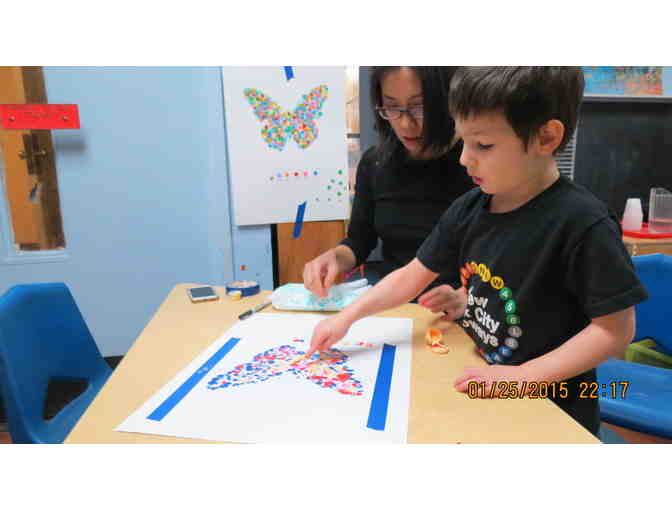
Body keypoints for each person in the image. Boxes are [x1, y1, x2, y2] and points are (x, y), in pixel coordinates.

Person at [306, 67, 648, 435]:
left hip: (551, 407)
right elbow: (411, 276)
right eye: (463, 141)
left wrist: (523, 378)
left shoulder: (583, 223)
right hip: (487, 387)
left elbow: (615, 331)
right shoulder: (471, 207)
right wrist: (348, 317)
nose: (464, 159)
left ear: (546, 137)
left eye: (482, 145)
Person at [303, 67, 474, 314]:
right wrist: (335, 258)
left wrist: (467, 297)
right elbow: (359, 241)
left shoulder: (475, 163)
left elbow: (501, 258)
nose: (405, 123)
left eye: (419, 107)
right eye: (392, 107)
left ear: (447, 101)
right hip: (393, 306)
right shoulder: (375, 164)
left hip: (457, 312)